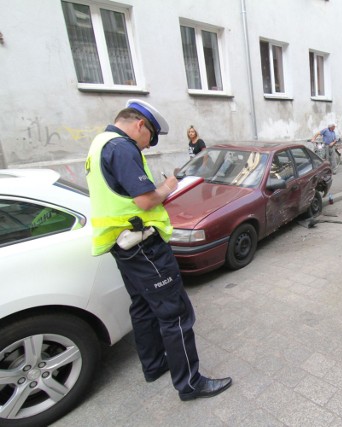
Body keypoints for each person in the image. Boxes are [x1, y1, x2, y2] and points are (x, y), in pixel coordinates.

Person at [84, 99, 232, 401]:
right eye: (150, 139)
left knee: (141, 307)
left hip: (123, 246)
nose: (148, 146)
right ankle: (190, 383)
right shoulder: (122, 148)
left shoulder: (99, 144)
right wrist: (168, 186)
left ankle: (153, 365)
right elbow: (146, 200)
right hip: (144, 247)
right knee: (175, 314)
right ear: (140, 125)